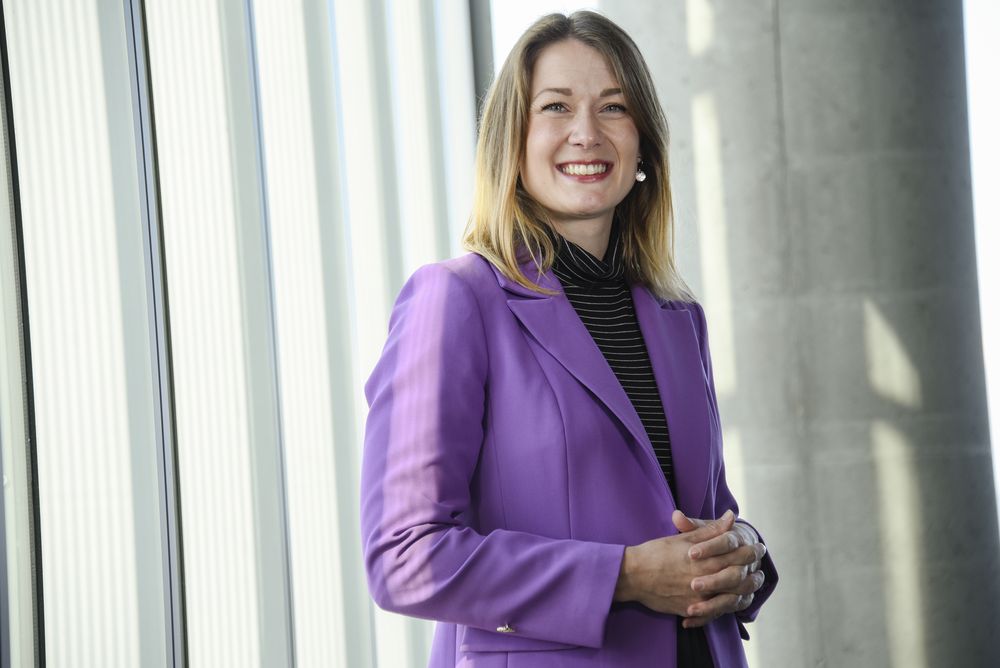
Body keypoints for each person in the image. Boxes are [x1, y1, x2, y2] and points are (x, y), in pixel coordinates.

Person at [361, 10, 777, 667]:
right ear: (513, 141)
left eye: (614, 107)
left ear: (643, 144)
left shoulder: (677, 319)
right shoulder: (456, 300)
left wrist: (745, 553)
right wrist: (628, 576)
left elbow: (705, 511)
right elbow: (404, 556)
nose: (587, 133)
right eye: (555, 106)